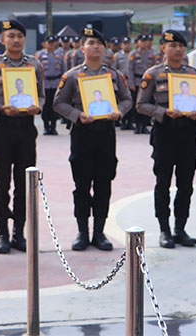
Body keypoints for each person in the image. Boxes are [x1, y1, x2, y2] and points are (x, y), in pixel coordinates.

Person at [54, 27, 131, 251]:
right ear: (82, 47)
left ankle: (99, 232)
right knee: (81, 185)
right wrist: (77, 115)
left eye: (99, 42)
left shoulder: (115, 75)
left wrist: (119, 111)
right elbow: (58, 103)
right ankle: (82, 231)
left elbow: (127, 99)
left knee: (103, 183)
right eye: (90, 42)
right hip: (82, 133)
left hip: (106, 133)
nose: (95, 46)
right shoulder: (72, 76)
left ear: (105, 48)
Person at [0, 19, 44, 254]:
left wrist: (38, 106)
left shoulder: (34, 65)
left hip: (26, 128)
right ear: (3, 39)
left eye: (19, 36)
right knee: (2, 182)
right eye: (11, 36)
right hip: (3, 128)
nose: (15, 40)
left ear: (25, 39)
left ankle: (19, 232)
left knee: (24, 183)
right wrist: (0, 108)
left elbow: (42, 96)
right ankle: (2, 233)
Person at [136, 30, 196, 248]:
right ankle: (164, 229)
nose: (177, 49)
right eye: (172, 45)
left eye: (181, 46)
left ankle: (180, 228)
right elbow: (141, 105)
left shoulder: (193, 74)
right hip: (165, 133)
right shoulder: (152, 74)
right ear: (163, 48)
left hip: (188, 134)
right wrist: (163, 112)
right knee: (163, 182)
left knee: (186, 184)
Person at [127, 35, 157, 133]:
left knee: (147, 103)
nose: (144, 43)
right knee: (136, 103)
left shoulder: (152, 54)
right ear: (138, 42)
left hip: (147, 81)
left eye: (145, 41)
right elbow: (130, 69)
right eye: (142, 41)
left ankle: (144, 125)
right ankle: (137, 125)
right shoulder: (133, 54)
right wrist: (130, 82)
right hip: (136, 80)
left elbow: (154, 69)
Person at [35, 35, 64, 135]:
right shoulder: (40, 55)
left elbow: (63, 70)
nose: (51, 45)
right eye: (49, 43)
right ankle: (46, 126)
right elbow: (37, 70)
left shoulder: (60, 55)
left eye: (52, 43)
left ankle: (54, 127)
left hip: (56, 83)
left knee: (54, 105)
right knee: (46, 106)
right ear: (45, 44)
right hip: (45, 83)